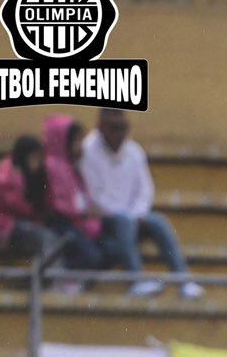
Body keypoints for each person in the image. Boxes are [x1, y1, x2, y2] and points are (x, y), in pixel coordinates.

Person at [79, 109, 202, 299]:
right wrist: (124, 215)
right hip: (104, 221)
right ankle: (136, 281)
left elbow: (145, 190)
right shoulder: (88, 151)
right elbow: (93, 195)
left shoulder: (134, 151)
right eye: (114, 128)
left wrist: (136, 214)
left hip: (133, 217)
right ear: (101, 128)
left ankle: (183, 281)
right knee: (124, 222)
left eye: (123, 128)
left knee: (158, 222)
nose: (119, 134)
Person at [0, 135, 69, 266]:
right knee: (45, 237)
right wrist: (37, 211)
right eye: (35, 158)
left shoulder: (33, 175)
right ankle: (55, 278)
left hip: (17, 223)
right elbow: (16, 204)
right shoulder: (5, 175)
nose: (39, 162)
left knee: (55, 234)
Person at [41, 114, 107, 276]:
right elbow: (56, 202)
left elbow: (81, 195)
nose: (81, 147)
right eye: (76, 141)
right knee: (91, 255)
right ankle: (65, 277)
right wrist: (83, 212)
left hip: (77, 221)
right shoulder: (51, 167)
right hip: (60, 223)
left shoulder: (71, 167)